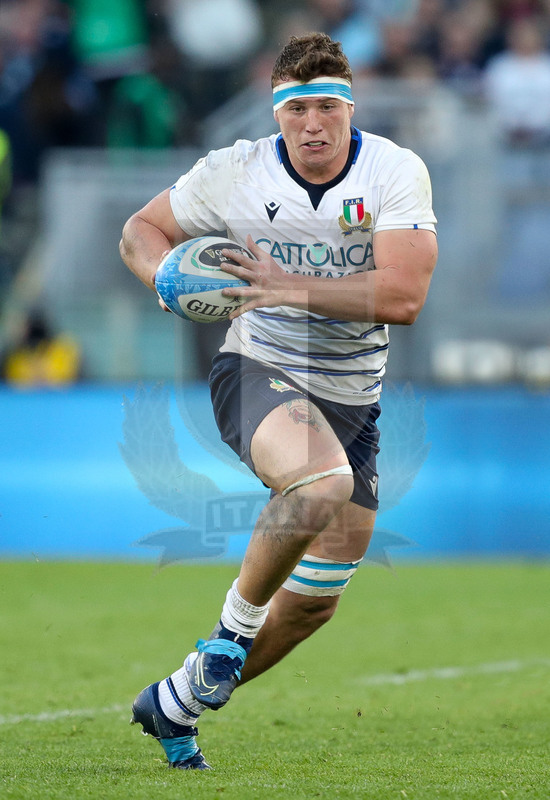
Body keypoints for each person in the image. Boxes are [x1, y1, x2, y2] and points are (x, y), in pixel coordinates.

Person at [120, 32, 437, 771]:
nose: (313, 125)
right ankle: (228, 636)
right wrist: (163, 277)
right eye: (298, 110)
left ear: (350, 108)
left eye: (328, 106)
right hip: (260, 367)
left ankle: (175, 703)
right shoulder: (234, 172)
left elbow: (404, 295)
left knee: (315, 604)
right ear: (278, 113)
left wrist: (284, 284)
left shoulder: (394, 171)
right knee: (319, 483)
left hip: (355, 396)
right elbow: (140, 229)